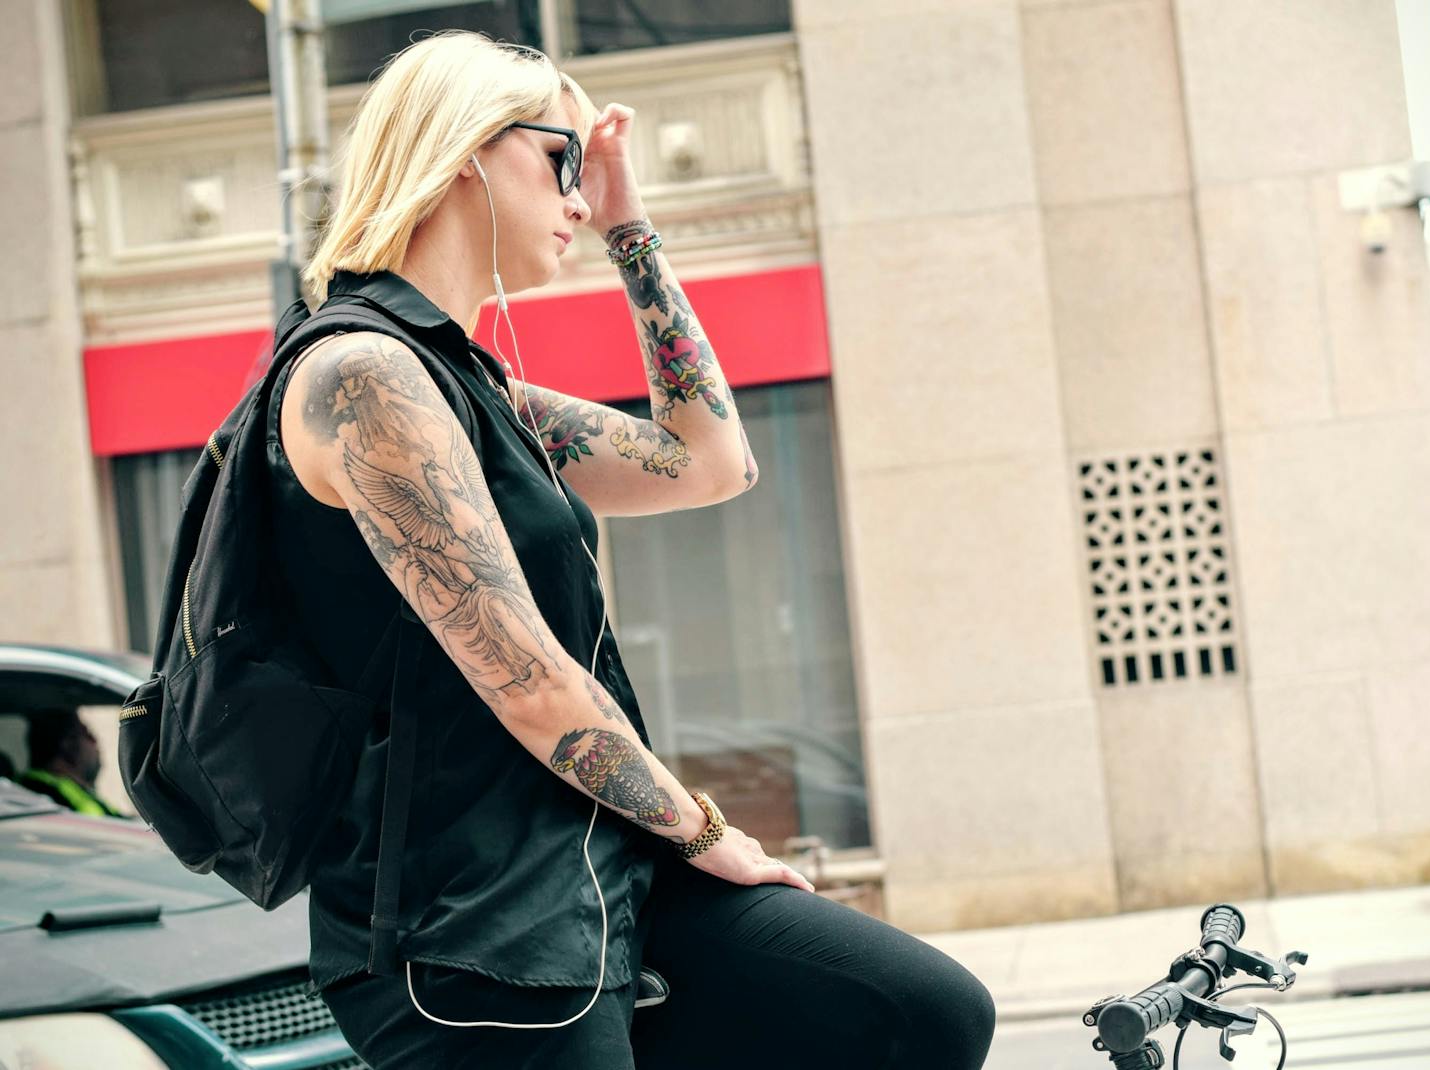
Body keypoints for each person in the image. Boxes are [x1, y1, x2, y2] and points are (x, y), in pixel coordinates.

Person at [269, 31, 994, 1069]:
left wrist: (628, 224)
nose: (576, 190)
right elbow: (523, 678)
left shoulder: (475, 393)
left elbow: (711, 462)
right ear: (470, 149)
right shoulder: (361, 379)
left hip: (598, 874)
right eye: (562, 158)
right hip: (469, 931)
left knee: (916, 1008)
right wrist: (702, 829)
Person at [16, 710, 126, 817]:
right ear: (67, 744)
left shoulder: (77, 791)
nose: (96, 741)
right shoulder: (38, 789)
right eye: (88, 734)